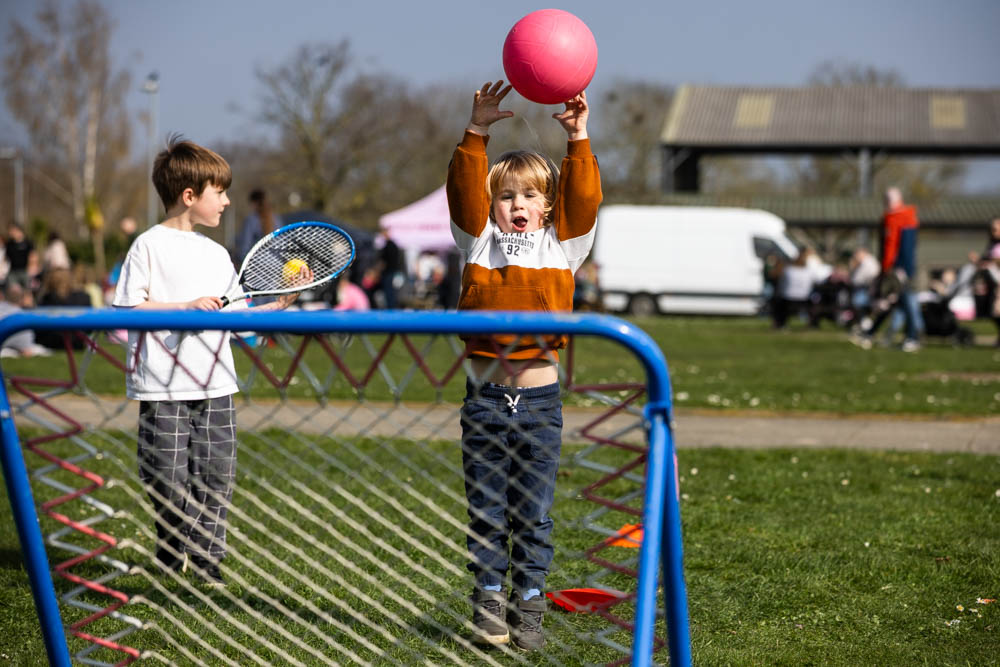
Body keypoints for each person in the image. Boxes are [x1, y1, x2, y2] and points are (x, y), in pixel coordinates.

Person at [446, 80, 601, 650]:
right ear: (493, 204)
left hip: (538, 404)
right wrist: (477, 130)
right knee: (486, 509)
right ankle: (488, 599)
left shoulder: (563, 246)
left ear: (548, 205)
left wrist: (578, 139)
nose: (518, 205)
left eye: (531, 196)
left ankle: (529, 605)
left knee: (532, 515)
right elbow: (463, 191)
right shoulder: (477, 242)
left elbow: (585, 200)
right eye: (507, 195)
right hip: (484, 400)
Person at [112, 137, 307, 586]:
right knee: (166, 475)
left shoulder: (217, 254)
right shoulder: (147, 246)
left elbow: (237, 321)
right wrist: (184, 307)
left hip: (217, 386)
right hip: (163, 386)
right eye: (219, 192)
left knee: (217, 477)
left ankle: (206, 561)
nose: (227, 201)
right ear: (189, 196)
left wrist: (280, 304)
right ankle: (170, 544)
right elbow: (124, 311)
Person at [850, 187, 921, 352]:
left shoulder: (904, 219)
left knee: (905, 302)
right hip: (892, 268)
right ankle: (870, 334)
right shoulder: (890, 218)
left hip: (900, 269)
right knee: (889, 301)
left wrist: (900, 269)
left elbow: (904, 248)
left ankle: (912, 337)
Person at [234, 188, 280, 264]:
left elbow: (244, 247)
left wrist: (239, 260)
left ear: (253, 203)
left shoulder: (250, 220)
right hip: (276, 266)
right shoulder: (277, 219)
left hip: (256, 267)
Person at [5, 223, 36, 288]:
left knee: (27, 290)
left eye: (12, 230)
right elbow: (6, 258)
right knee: (13, 291)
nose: (10, 233)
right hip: (13, 272)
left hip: (25, 271)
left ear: (18, 230)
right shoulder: (9, 244)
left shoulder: (28, 242)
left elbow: (33, 256)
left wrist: (31, 267)